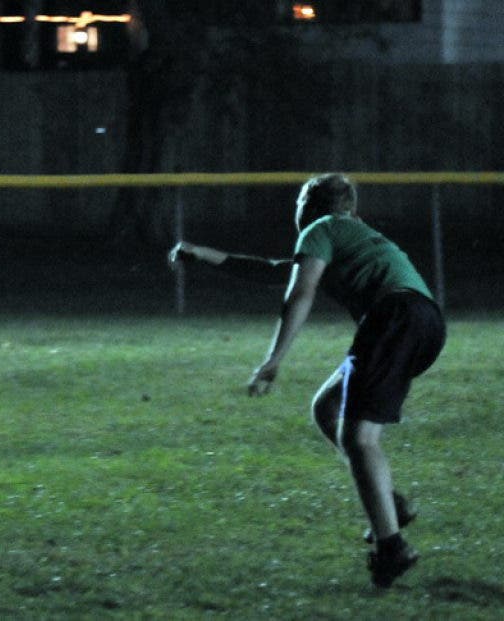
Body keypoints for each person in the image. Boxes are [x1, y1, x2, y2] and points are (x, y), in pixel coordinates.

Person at [169, 173, 445, 588]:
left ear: (307, 207)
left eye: (298, 203)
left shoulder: (318, 228)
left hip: (393, 319)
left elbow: (300, 292)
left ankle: (392, 547)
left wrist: (272, 360)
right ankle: (388, 503)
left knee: (359, 438)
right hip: (426, 321)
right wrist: (203, 254)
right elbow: (275, 272)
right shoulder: (353, 232)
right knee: (328, 407)